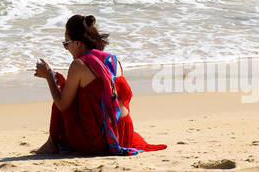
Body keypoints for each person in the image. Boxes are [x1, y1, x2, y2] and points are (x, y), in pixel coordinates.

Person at [32, 13, 166, 156]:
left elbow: (63, 105)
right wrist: (64, 82)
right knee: (66, 89)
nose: (66, 49)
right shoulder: (112, 60)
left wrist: (49, 78)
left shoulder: (78, 65)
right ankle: (52, 143)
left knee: (61, 96)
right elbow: (100, 96)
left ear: (78, 43)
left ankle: (51, 144)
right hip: (124, 132)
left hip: (102, 139)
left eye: (66, 44)